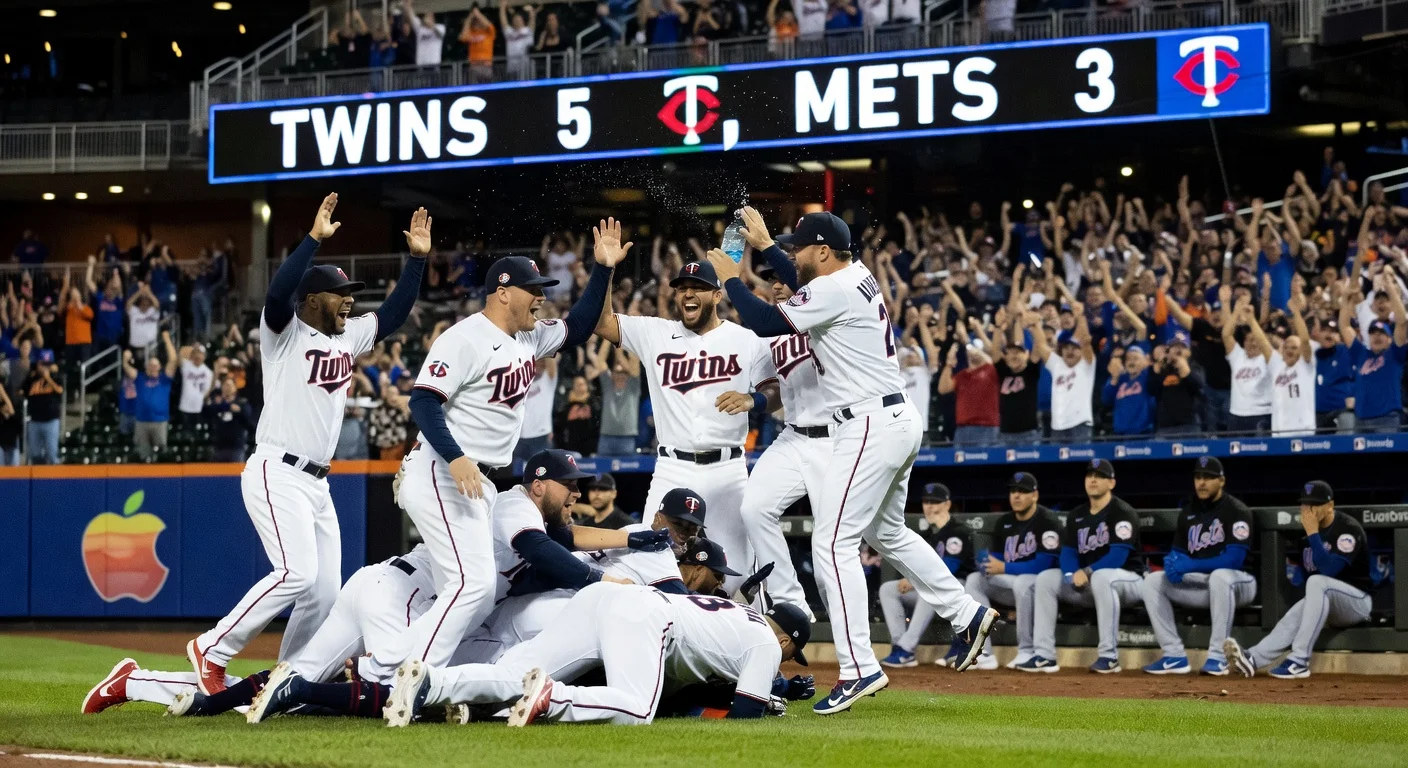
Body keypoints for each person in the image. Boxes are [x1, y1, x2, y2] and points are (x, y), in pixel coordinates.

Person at [710, 208, 996, 715]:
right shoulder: (853, 275)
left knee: (833, 541)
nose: (792, 255)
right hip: (893, 417)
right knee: (889, 533)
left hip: (866, 423)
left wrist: (733, 279)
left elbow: (767, 319)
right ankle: (966, 614)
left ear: (822, 251)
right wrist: (764, 246)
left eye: (799, 247)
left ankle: (859, 667)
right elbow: (802, 282)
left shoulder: (833, 288)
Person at [186, 197, 427, 696]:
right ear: (313, 299)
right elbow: (277, 294)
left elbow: (394, 314)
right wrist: (314, 239)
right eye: (341, 295)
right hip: (277, 469)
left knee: (322, 592)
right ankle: (214, 648)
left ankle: (288, 676)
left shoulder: (347, 337)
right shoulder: (284, 335)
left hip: (317, 481)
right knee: (295, 573)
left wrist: (418, 262)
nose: (349, 302)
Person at [364, 219, 621, 684]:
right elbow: (423, 400)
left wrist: (602, 269)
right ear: (503, 291)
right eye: (532, 289)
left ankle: (388, 663)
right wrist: (456, 456)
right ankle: (389, 677)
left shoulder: (527, 336)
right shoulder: (463, 338)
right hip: (443, 467)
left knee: (478, 595)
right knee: (474, 585)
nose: (540, 296)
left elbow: (580, 327)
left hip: (475, 478)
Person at [591, 256, 778, 595]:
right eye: (683, 288)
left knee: (734, 575)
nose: (688, 294)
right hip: (671, 467)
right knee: (648, 560)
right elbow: (602, 321)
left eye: (699, 288)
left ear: (717, 296)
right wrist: (606, 268)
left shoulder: (746, 339)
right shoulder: (656, 332)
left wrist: (755, 400)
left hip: (728, 468)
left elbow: (776, 390)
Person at [381, 583, 811, 726]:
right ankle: (556, 699)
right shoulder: (766, 645)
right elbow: (744, 716)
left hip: (608, 599)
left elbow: (703, 685)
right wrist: (772, 701)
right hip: (647, 617)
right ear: (788, 642)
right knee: (638, 709)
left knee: (518, 672)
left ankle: (434, 683)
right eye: (793, 653)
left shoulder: (738, 614)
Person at [738, 262, 830, 620]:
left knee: (830, 551)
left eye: (782, 279)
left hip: (837, 438)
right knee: (755, 508)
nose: (776, 286)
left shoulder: (827, 318)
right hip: (794, 435)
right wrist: (755, 401)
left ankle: (849, 638)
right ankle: (791, 606)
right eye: (772, 280)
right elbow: (774, 393)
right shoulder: (771, 336)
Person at [1225, 481, 1373, 680]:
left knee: (1317, 582)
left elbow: (1329, 570)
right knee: (1297, 611)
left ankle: (1300, 660)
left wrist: (1313, 533)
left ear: (1330, 506)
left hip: (1358, 604)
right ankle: (1253, 659)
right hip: (1328, 602)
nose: (1308, 510)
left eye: (1315, 504)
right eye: (1305, 504)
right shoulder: (1304, 535)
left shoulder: (1347, 529)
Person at [1140, 458, 1256, 676]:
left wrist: (1190, 564)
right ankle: (1173, 656)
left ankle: (1218, 656)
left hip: (1240, 584)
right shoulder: (1189, 512)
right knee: (1153, 581)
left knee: (1220, 576)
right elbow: (1178, 553)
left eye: (1208, 477)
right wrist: (1171, 563)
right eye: (1198, 477)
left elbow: (1234, 560)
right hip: (1205, 586)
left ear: (1221, 481)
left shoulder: (1236, 511)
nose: (1201, 482)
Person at [1026, 460, 1143, 674]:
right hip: (1091, 583)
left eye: (1099, 476)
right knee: (1046, 579)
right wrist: (1070, 575)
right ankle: (1044, 655)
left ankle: (1109, 657)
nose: (1093, 479)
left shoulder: (1122, 512)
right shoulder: (1077, 515)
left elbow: (1118, 557)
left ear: (1112, 483)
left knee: (1102, 578)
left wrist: (1086, 572)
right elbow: (1068, 553)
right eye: (1090, 475)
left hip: (1129, 581)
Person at [964, 472, 1061, 671]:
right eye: (1013, 491)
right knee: (974, 580)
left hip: (1040, 587)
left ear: (1035, 495)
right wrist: (986, 561)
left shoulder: (1048, 520)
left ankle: (1026, 649)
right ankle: (983, 652)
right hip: (1012, 585)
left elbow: (1045, 564)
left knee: (1023, 582)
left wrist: (1005, 567)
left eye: (1023, 491)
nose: (1016, 495)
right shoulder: (1005, 522)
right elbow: (997, 559)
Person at [877, 483, 979, 668]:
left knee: (930, 589)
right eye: (926, 502)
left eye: (935, 502)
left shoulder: (959, 531)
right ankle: (899, 646)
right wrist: (911, 579)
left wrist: (915, 581)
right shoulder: (924, 535)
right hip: (929, 593)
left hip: (958, 594)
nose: (929, 506)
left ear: (947, 505)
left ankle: (906, 648)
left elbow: (950, 568)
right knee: (888, 589)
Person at [1341, 272, 1408, 432]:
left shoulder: (1395, 353)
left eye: (1381, 334)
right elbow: (1344, 326)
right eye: (1373, 333)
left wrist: (1391, 289)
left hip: (1387, 418)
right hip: (1361, 419)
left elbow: (1402, 322)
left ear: (1389, 338)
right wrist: (1346, 300)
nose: (1377, 337)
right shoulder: (1361, 353)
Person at [1042, 286, 1096, 441]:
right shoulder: (1057, 364)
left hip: (1080, 424)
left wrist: (1081, 316)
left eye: (1074, 348)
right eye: (1066, 348)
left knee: (1080, 465)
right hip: (1058, 425)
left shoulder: (1086, 364)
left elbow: (1085, 340)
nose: (1070, 351)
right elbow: (1040, 345)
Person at [1264, 295, 1316, 436]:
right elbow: (1262, 342)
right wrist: (1251, 320)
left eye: (1294, 348)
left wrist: (1296, 313)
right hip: (1280, 431)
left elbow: (1304, 340)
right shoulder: (1277, 367)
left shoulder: (1306, 365)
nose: (1289, 350)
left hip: (1303, 431)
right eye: (1286, 347)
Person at [995, 312, 1047, 445]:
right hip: (1005, 433)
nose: (1014, 356)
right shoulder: (1003, 372)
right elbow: (994, 351)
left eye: (1018, 352)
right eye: (1011, 352)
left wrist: (1036, 326)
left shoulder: (1031, 371)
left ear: (1026, 355)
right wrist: (997, 327)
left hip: (1029, 433)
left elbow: (1040, 346)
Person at [1222, 296, 1272, 435]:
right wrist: (1236, 311)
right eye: (1249, 340)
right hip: (1236, 415)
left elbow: (1264, 343)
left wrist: (1251, 320)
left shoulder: (1269, 358)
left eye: (1256, 340)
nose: (1253, 343)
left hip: (1261, 414)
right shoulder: (1238, 355)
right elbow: (1226, 335)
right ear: (1243, 343)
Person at [127, 332, 179, 461]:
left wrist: (167, 339)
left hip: (160, 422)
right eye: (150, 365)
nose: (153, 367)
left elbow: (173, 360)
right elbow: (127, 369)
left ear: (160, 367)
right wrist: (125, 359)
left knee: (161, 454)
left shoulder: (164, 379)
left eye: (155, 365)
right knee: (142, 454)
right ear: (146, 367)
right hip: (141, 422)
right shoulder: (140, 378)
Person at [589, 337, 641, 456]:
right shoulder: (608, 384)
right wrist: (609, 337)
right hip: (606, 438)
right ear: (612, 373)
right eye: (616, 372)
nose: (619, 375)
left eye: (623, 373)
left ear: (628, 375)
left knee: (627, 474)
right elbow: (600, 361)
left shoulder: (633, 386)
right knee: (602, 474)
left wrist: (624, 338)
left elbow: (634, 360)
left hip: (626, 438)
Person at [1148, 331, 1205, 437]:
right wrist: (1157, 370)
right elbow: (1152, 390)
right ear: (1167, 351)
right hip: (1165, 426)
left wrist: (1185, 370)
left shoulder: (1195, 367)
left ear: (1189, 352)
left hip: (1189, 425)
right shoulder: (1162, 369)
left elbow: (1200, 388)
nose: (1178, 350)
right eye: (1174, 347)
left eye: (1182, 347)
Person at [1312, 318, 1355, 433]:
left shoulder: (1346, 351)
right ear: (1318, 334)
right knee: (1319, 448)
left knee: (1345, 446)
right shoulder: (1314, 355)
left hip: (1342, 409)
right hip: (1319, 412)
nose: (1329, 334)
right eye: (1325, 330)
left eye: (1333, 331)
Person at [513, 354, 556, 466]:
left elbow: (551, 363)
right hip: (518, 436)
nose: (538, 365)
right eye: (536, 362)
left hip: (540, 437)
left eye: (542, 363)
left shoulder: (549, 379)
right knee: (512, 476)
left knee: (541, 475)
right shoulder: (520, 381)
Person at [1102, 345, 1155, 436]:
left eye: (1135, 358)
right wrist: (1114, 378)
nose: (1131, 361)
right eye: (1128, 358)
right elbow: (1106, 400)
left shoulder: (1147, 375)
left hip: (1143, 432)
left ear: (1145, 361)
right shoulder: (1120, 378)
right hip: (1120, 433)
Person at [22, 350, 62, 464]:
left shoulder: (55, 376)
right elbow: (21, 391)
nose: (45, 367)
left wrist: (48, 378)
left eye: (47, 364)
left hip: (51, 420)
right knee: (35, 455)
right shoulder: (31, 378)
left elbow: (60, 391)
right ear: (38, 363)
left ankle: (54, 480)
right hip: (35, 420)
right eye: (43, 364)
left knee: (52, 455)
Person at [206, 377, 253, 463]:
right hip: (219, 446)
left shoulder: (242, 402)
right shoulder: (217, 402)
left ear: (235, 388)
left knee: (236, 474)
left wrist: (239, 411)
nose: (227, 388)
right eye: (225, 385)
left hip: (236, 447)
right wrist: (227, 406)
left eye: (229, 385)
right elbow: (207, 411)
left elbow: (248, 420)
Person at [177, 344, 215, 429]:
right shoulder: (186, 365)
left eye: (200, 354)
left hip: (199, 408)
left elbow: (208, 391)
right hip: (184, 407)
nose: (198, 356)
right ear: (192, 355)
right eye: (196, 353)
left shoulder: (208, 372)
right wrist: (192, 347)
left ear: (204, 356)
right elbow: (180, 354)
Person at [499, 0, 537, 78]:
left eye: (519, 19)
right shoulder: (509, 32)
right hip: (511, 69)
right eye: (515, 19)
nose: (517, 21)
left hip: (525, 69)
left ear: (523, 21)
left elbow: (532, 21)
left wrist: (531, 10)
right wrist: (502, 7)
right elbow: (503, 22)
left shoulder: (527, 31)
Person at [459, 7, 496, 81]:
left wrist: (478, 14)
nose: (477, 22)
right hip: (474, 66)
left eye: (478, 21)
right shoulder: (471, 33)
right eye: (475, 21)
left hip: (486, 65)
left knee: (488, 88)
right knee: (473, 89)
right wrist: (470, 17)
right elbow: (462, 37)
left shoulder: (489, 33)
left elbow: (489, 25)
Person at [406, 0, 446, 66]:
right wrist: (408, 5)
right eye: (426, 16)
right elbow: (411, 17)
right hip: (421, 65)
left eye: (430, 16)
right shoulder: (420, 28)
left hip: (434, 64)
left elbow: (440, 34)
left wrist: (431, 26)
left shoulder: (440, 27)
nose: (427, 18)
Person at [125, 283, 161, 352]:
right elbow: (128, 304)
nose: (144, 304)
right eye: (143, 303)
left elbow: (157, 304)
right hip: (136, 347)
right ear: (140, 303)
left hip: (151, 347)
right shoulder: (134, 311)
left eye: (146, 303)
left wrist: (148, 293)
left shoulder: (153, 311)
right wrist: (139, 292)